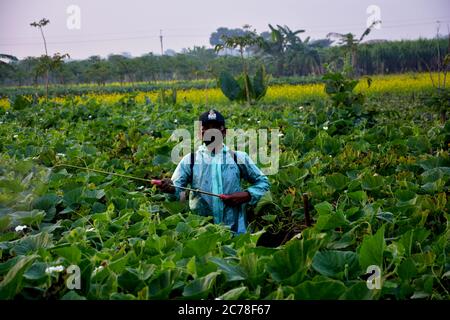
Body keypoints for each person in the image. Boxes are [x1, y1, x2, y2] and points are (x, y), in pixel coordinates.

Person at [156, 109, 270, 234]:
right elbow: (176, 190)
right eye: (206, 127)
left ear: (224, 132)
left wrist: (246, 195)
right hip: (201, 233)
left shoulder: (238, 158)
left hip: (236, 233)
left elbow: (263, 183)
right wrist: (169, 188)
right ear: (200, 133)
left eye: (216, 127)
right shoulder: (190, 160)